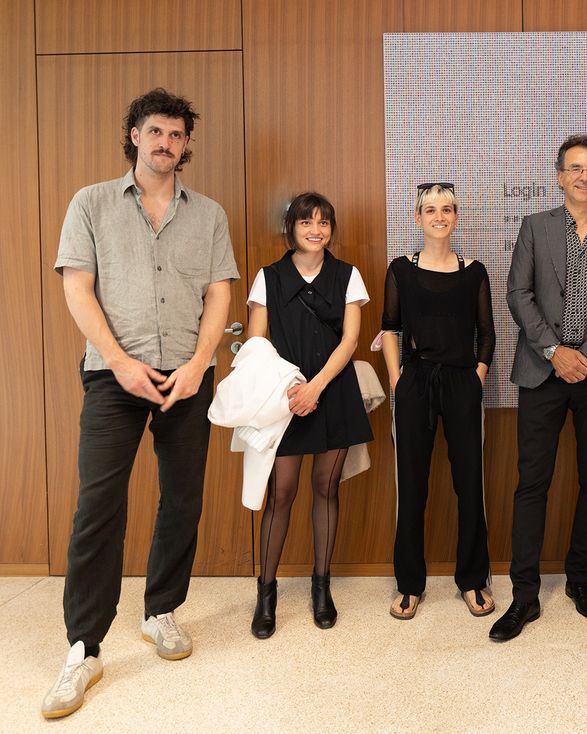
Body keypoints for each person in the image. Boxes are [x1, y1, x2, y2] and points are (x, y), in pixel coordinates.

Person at [43, 88, 238, 719]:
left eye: (177, 135)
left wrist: (199, 364)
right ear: (134, 134)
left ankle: (162, 610)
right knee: (98, 505)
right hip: (112, 375)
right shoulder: (91, 203)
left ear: (186, 144)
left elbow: (218, 294)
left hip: (187, 375)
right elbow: (78, 288)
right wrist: (121, 362)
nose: (166, 143)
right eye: (155, 131)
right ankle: (84, 647)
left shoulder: (209, 215)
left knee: (182, 498)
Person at [490, 134, 587, 642]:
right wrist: (555, 351)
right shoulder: (535, 227)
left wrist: (585, 357)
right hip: (542, 371)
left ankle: (579, 579)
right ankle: (524, 596)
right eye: (575, 168)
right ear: (560, 177)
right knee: (531, 483)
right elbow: (518, 293)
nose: (584, 176)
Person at [243, 191, 372, 638]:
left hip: (333, 391)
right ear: (291, 228)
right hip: (284, 396)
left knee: (325, 487)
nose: (316, 230)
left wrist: (315, 387)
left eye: (323, 222)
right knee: (281, 493)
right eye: (306, 222)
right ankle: (266, 594)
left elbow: (350, 340)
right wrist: (291, 389)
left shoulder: (348, 275)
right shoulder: (268, 277)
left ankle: (321, 587)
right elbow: (256, 343)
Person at [381, 183, 495, 620]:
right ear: (418, 218)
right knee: (411, 485)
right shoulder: (401, 269)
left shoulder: (474, 272)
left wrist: (476, 377)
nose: (439, 216)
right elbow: (390, 327)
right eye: (430, 210)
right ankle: (409, 584)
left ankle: (473, 580)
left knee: (470, 484)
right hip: (415, 382)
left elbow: (486, 333)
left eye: (447, 209)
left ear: (456, 217)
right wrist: (397, 381)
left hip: (463, 382)